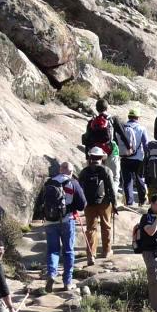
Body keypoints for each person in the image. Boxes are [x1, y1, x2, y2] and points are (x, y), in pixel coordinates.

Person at [43, 162, 87, 292]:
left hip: (50, 221)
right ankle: (67, 282)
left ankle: (51, 274)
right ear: (71, 172)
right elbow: (82, 204)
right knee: (68, 251)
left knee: (52, 250)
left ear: (60, 170)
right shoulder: (73, 182)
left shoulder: (49, 182)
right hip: (67, 220)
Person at [78, 147, 118, 265]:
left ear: (90, 158)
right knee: (106, 226)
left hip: (89, 204)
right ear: (101, 158)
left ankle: (91, 254)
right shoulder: (106, 170)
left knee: (91, 229)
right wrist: (114, 204)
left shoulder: (84, 172)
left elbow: (79, 189)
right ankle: (107, 251)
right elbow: (111, 188)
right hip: (104, 203)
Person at [83, 98, 130, 197]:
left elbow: (87, 140)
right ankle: (111, 198)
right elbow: (122, 134)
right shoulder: (112, 120)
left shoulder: (92, 121)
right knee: (115, 177)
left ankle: (99, 196)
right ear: (107, 108)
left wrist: (87, 156)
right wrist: (129, 147)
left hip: (96, 152)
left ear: (96, 108)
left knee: (98, 176)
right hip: (111, 150)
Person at [120, 108, 149, 207]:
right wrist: (147, 158)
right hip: (138, 158)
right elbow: (145, 144)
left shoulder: (122, 127)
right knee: (140, 179)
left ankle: (129, 203)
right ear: (137, 118)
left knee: (127, 181)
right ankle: (142, 201)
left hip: (125, 157)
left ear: (129, 117)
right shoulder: (141, 129)